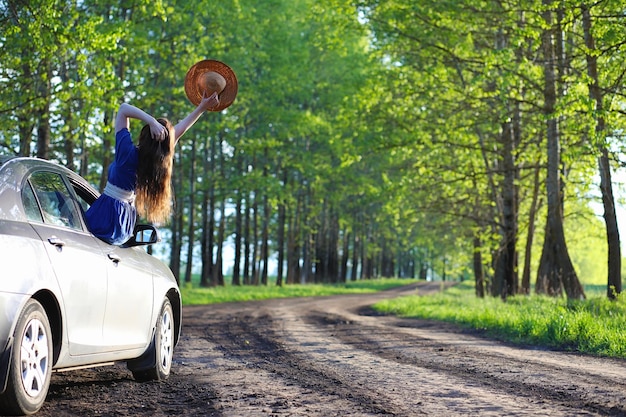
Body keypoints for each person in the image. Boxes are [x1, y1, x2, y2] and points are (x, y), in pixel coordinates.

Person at [85, 92, 219, 245]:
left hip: (104, 216)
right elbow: (179, 132)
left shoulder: (127, 154)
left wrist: (151, 121)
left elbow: (123, 109)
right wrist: (201, 108)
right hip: (124, 223)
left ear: (144, 135)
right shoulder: (158, 164)